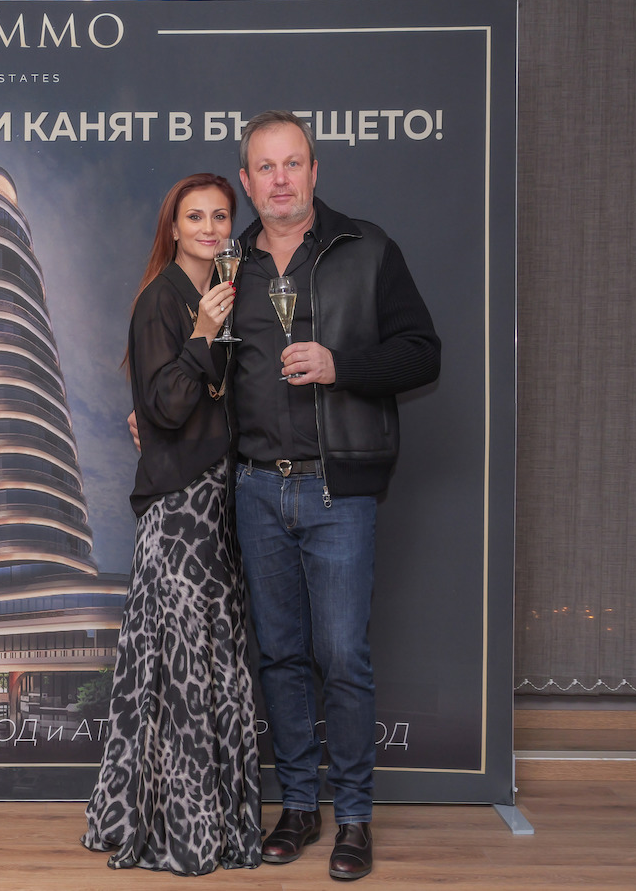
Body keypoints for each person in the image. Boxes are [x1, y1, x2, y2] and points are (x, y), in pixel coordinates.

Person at [229, 110, 441, 881]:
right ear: (247, 181)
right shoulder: (229, 266)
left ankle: (353, 817)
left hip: (337, 489)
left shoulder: (368, 248)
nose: (280, 179)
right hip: (256, 489)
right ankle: (298, 807)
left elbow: (423, 354)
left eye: (293, 163)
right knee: (281, 656)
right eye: (265, 167)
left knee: (342, 655)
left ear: (315, 172)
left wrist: (340, 364)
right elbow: (214, 373)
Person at [81, 174, 263, 875]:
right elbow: (165, 407)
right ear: (174, 228)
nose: (211, 228)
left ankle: (216, 818)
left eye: (221, 216)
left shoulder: (223, 292)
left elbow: (223, 399)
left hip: (218, 501)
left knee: (212, 664)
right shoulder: (163, 299)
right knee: (177, 671)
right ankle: (178, 829)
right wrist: (204, 333)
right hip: (180, 507)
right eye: (196, 216)